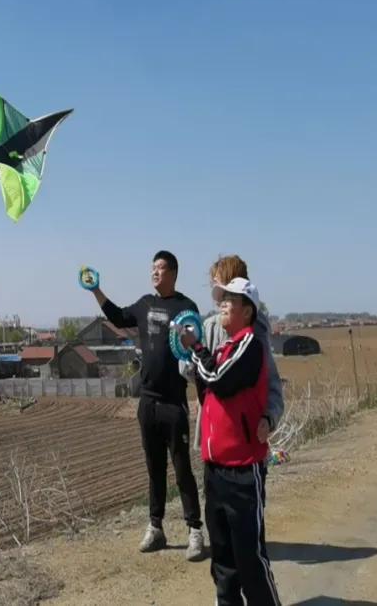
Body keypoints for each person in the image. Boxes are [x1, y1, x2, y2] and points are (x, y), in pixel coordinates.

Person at [87, 250, 205, 561]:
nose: (155, 273)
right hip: (148, 402)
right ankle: (156, 527)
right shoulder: (144, 304)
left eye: (161, 268)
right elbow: (117, 316)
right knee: (154, 470)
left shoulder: (186, 307)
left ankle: (195, 530)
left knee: (182, 469)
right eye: (152, 268)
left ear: (174, 273)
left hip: (174, 401)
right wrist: (96, 290)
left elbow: (196, 346)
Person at [182, 278, 281, 606]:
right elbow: (205, 376)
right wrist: (197, 354)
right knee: (223, 562)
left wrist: (197, 348)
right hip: (216, 469)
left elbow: (218, 380)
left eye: (230, 301)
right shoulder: (226, 348)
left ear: (247, 310)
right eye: (221, 299)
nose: (222, 304)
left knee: (249, 560)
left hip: (241, 470)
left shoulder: (250, 344)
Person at [182, 255, 284, 479]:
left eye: (221, 287)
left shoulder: (255, 333)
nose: (218, 300)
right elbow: (192, 372)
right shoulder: (208, 326)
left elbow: (270, 380)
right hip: (215, 441)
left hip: (244, 445)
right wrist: (188, 355)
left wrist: (269, 418)